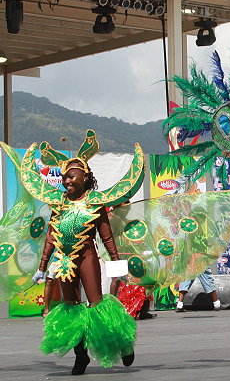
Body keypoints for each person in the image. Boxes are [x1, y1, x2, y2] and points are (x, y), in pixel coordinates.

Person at [31, 156, 136, 375]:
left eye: (71, 176)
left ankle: (123, 343)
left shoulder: (95, 202)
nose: (66, 181)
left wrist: (117, 265)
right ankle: (81, 355)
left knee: (97, 307)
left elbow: (107, 237)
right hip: (64, 262)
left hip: (87, 257)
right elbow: (51, 237)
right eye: (64, 178)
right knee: (71, 309)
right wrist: (42, 267)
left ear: (85, 177)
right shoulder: (59, 204)